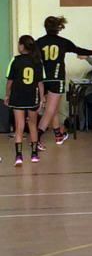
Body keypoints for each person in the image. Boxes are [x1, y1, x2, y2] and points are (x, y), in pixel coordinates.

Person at [36, 16, 92, 146]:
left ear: (45, 27)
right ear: (58, 28)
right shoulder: (62, 42)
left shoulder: (39, 42)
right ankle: (36, 138)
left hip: (43, 78)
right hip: (57, 78)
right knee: (50, 110)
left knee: (52, 108)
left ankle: (58, 135)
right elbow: (77, 50)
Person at [4, 36, 44, 166]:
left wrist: (7, 95)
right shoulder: (37, 61)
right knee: (33, 124)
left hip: (18, 96)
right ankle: (34, 154)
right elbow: (40, 83)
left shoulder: (15, 60)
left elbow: (9, 81)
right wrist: (42, 99)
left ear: (22, 46)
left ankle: (19, 156)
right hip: (32, 96)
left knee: (19, 125)